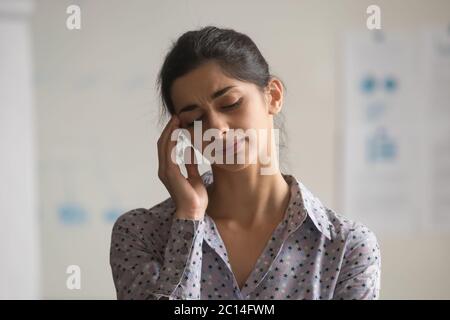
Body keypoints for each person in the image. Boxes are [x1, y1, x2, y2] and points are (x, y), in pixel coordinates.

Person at [109, 25, 381, 300]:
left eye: (230, 104)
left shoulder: (347, 247)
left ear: (272, 96)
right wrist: (189, 219)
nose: (217, 128)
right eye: (195, 119)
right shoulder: (142, 234)